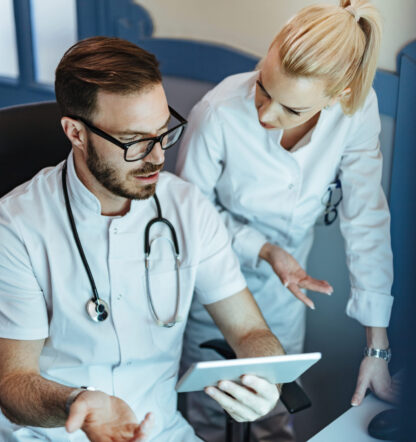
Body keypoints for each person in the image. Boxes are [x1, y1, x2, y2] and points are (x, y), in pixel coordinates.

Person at [0, 36, 284, 442]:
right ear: (76, 133)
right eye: (134, 141)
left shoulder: (188, 208)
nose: (157, 157)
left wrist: (266, 377)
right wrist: (76, 404)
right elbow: (13, 383)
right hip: (53, 435)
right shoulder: (16, 226)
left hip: (162, 431)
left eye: (162, 131)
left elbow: (249, 331)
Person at [177, 1, 398, 440]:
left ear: (338, 97)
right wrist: (264, 248)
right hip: (213, 282)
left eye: (291, 110)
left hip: (287, 294)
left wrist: (378, 346)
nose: (265, 114)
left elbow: (366, 217)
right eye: (263, 86)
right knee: (208, 418)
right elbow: (189, 215)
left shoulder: (355, 110)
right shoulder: (217, 111)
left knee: (273, 417)